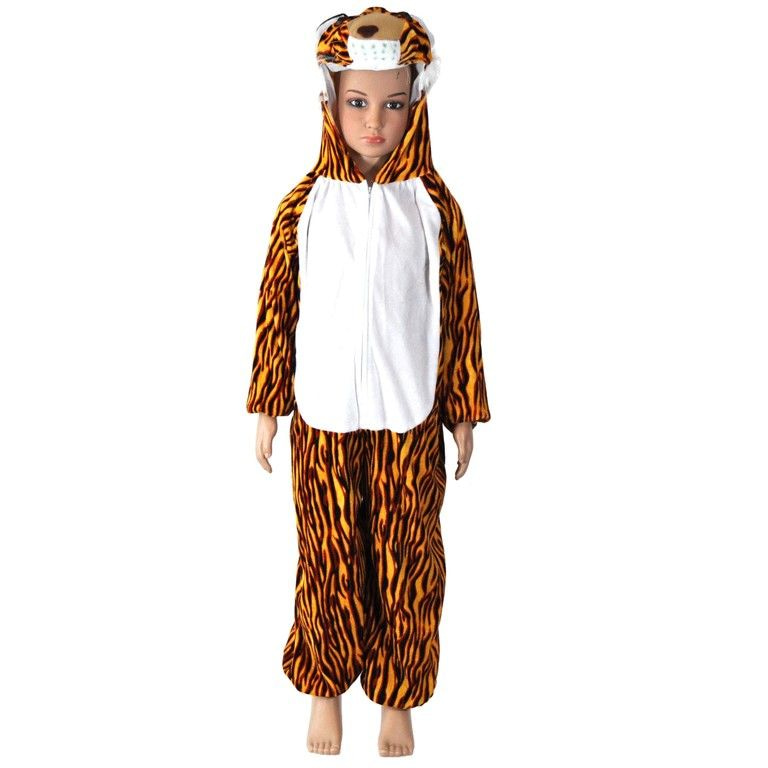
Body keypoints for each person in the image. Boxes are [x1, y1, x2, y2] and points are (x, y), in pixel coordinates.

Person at [246, 7, 491, 757]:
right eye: (357, 102)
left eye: (392, 104)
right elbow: (277, 306)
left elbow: (459, 309)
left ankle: (397, 697)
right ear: (330, 100)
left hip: (409, 417)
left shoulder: (434, 207)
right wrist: (268, 405)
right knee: (327, 558)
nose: (374, 122)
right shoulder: (304, 207)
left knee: (408, 559)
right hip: (322, 417)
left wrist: (462, 409)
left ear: (417, 104)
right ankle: (323, 689)